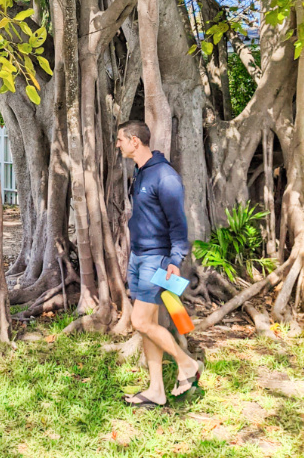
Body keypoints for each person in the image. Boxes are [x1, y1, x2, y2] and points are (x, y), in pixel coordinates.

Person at [116, 120, 203, 407]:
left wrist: (175, 260)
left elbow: (179, 224)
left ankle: (187, 364)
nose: (118, 145)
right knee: (147, 324)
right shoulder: (140, 172)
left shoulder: (165, 176)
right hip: (139, 256)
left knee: (139, 320)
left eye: (120, 140)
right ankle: (156, 390)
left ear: (134, 142)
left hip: (157, 259)